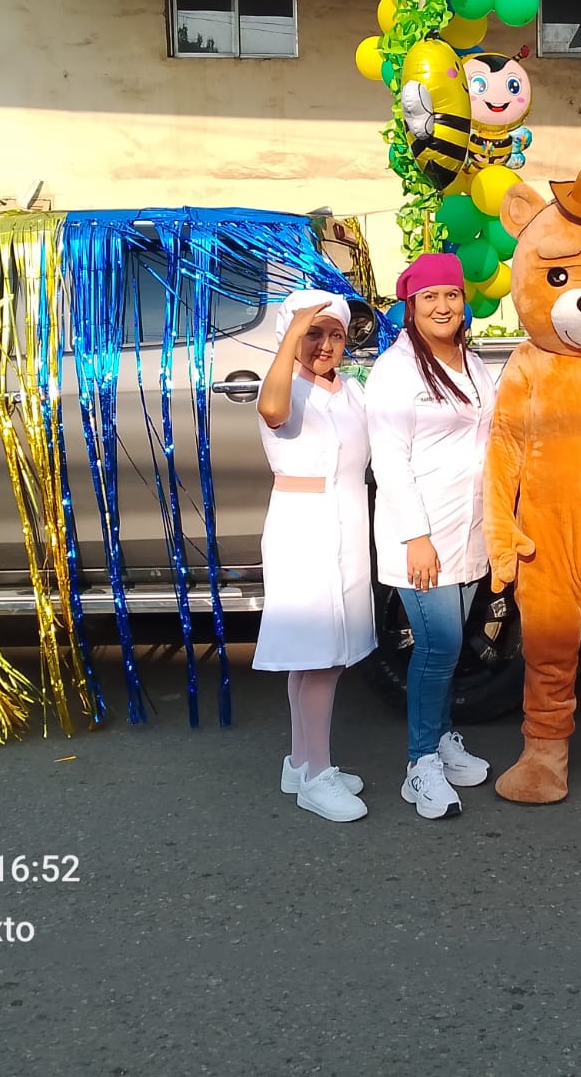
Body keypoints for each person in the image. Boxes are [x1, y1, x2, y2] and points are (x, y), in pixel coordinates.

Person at [365, 253, 496, 821]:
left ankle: (442, 739)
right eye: (429, 297)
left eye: (451, 294)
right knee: (438, 646)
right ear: (411, 306)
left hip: (469, 529)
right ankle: (419, 764)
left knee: (453, 644)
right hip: (420, 534)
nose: (443, 306)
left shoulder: (475, 364)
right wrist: (417, 537)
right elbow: (390, 460)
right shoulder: (394, 371)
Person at [254, 290, 374, 824]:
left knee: (318, 657)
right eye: (312, 334)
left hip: (347, 524)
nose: (325, 345)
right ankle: (318, 776)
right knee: (320, 658)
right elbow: (272, 410)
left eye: (335, 335)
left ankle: (301, 763)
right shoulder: (283, 385)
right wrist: (292, 334)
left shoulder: (351, 390)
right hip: (304, 528)